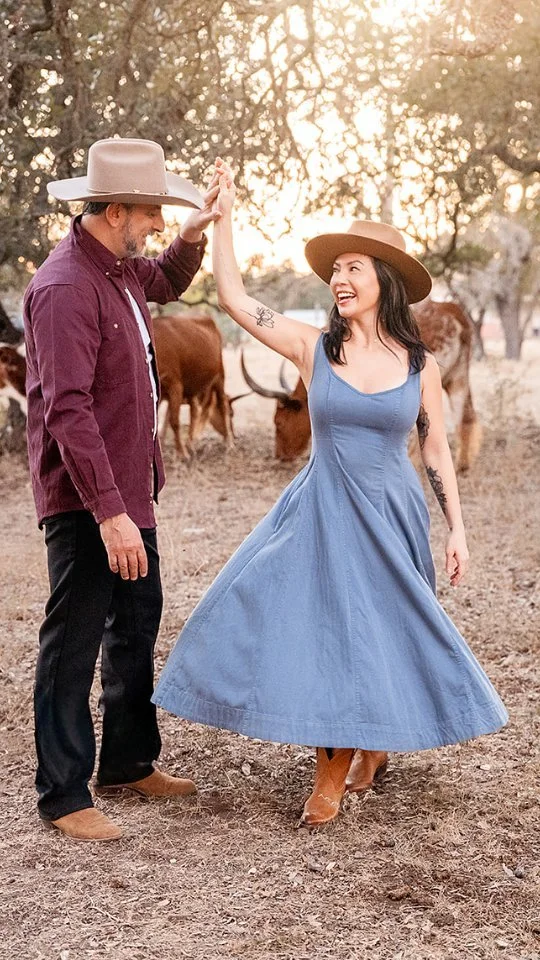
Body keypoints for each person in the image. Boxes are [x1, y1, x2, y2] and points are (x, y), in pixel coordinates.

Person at [153, 161, 508, 827]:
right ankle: (329, 772)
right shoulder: (313, 348)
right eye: (336, 269)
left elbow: (435, 448)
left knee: (378, 635)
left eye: (354, 268)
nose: (340, 279)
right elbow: (233, 297)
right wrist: (223, 219)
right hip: (323, 508)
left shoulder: (420, 366)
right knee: (327, 630)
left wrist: (457, 529)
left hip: (393, 513)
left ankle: (371, 746)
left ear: (385, 281)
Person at [24, 138, 221, 841]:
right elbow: (67, 410)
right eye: (152, 213)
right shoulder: (64, 287)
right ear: (114, 211)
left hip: (131, 490)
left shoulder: (121, 270)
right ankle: (63, 795)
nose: (159, 224)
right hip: (88, 500)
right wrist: (108, 513)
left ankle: (128, 762)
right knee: (74, 639)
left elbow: (165, 280)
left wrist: (194, 233)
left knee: (136, 623)